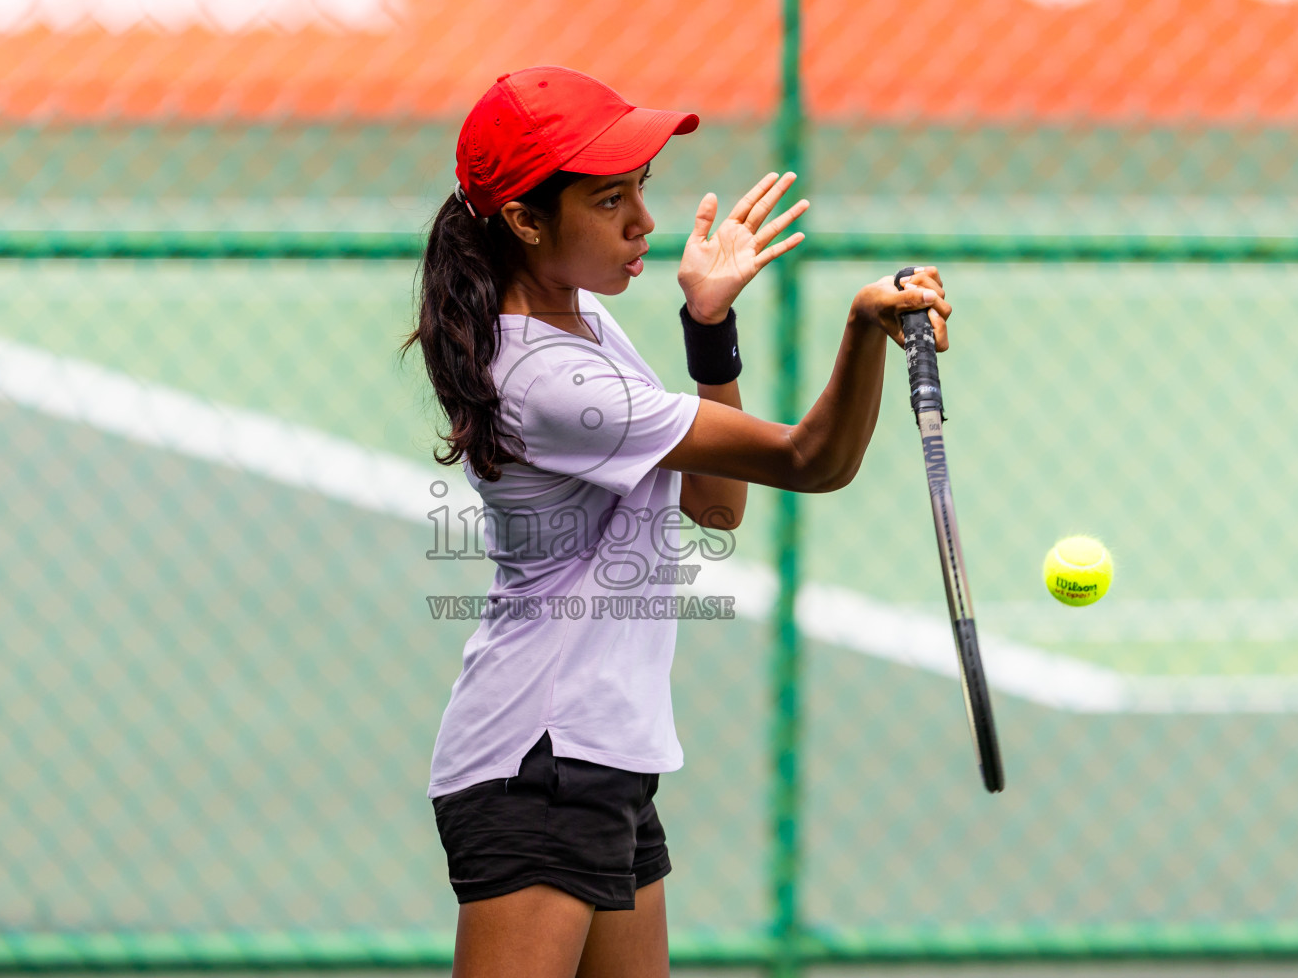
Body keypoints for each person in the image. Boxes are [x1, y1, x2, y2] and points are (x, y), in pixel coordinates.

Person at [402, 66, 950, 978]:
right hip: (539, 764)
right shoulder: (555, 382)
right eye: (609, 198)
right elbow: (813, 461)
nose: (643, 223)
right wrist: (862, 329)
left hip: (598, 756)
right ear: (526, 222)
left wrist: (709, 323)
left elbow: (714, 505)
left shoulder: (581, 328)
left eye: (641, 189)